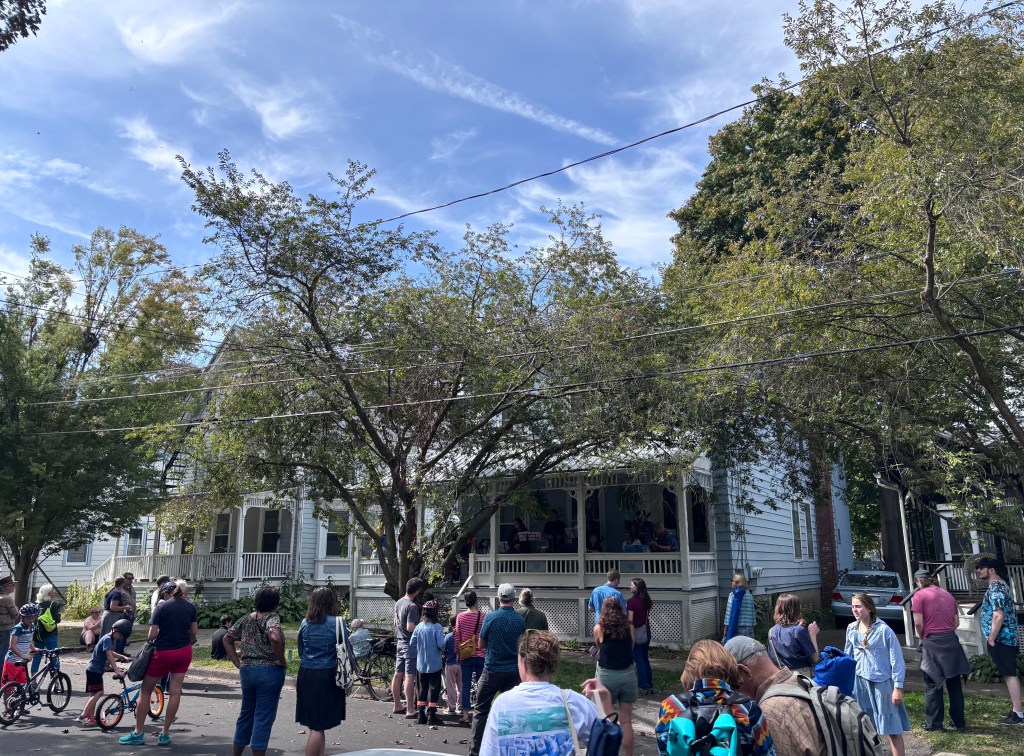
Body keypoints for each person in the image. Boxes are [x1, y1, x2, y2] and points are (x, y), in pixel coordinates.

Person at [481, 629, 612, 755]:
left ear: (524, 663)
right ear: (553, 665)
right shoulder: (573, 702)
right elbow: (609, 742)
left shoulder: (502, 704)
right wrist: (605, 700)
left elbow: (489, 751)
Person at [656, 639, 776, 756]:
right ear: (729, 666)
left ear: (689, 670)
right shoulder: (748, 709)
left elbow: (664, 750)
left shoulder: (670, 706)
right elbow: (767, 753)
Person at [118, 580, 198, 747]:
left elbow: (151, 635)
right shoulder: (190, 607)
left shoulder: (161, 608)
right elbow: (194, 632)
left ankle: (138, 733)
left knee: (145, 690)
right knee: (175, 691)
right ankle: (165, 733)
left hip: (163, 652)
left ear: (166, 593)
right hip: (184, 651)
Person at [725, 636, 828, 756]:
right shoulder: (805, 682)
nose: (736, 693)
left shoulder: (767, 713)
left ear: (744, 671)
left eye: (735, 685)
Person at [224, 586, 288, 756]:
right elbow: (274, 636)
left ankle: (236, 752)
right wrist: (281, 659)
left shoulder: (246, 619)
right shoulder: (272, 618)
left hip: (248, 670)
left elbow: (227, 639)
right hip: (269, 671)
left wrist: (238, 663)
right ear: (275, 604)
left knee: (246, 713)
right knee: (263, 716)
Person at [845, 592, 910, 756]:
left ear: (869, 608)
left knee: (892, 729)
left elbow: (897, 660)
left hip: (882, 683)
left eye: (858, 606)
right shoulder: (851, 628)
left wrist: (898, 687)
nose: (855, 610)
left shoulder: (884, 630)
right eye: (853, 606)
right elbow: (847, 657)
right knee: (865, 728)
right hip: (860, 683)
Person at [469, 583, 526, 756]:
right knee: (513, 713)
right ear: (514, 599)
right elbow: (521, 645)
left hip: (492, 669)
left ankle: (475, 751)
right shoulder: (520, 620)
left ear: (499, 597)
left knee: (480, 711)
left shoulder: (490, 617)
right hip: (513, 671)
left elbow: (481, 643)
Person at [910, 568, 969, 732]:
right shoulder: (948, 595)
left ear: (919, 581)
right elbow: (956, 622)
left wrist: (923, 637)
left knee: (933, 684)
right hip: (951, 641)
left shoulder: (919, 595)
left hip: (933, 642)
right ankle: (959, 723)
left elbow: (918, 623)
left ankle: (935, 724)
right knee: (954, 684)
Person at [296, 586, 346, 756]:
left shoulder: (305, 623)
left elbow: (301, 649)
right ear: (331, 602)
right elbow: (344, 649)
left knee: (317, 723)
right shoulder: (338, 623)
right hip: (328, 674)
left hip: (307, 673)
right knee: (318, 726)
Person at [976, 556, 1023, 725]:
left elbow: (998, 615)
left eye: (981, 567)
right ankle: (1016, 710)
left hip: (1002, 638)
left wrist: (991, 638)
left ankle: (1018, 713)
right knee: (1008, 673)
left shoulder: (996, 587)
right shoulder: (1002, 585)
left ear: (991, 569)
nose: (978, 570)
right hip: (1005, 637)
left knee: (1010, 674)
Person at [594, 596, 637, 756]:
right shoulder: (629, 626)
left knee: (607, 719)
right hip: (627, 674)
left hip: (607, 675)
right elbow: (631, 646)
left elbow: (599, 646)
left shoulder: (600, 628)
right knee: (626, 720)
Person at [78, 618, 131, 725]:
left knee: (94, 694)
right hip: (95, 670)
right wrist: (116, 669)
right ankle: (83, 715)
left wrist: (123, 656)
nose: (120, 639)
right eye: (120, 636)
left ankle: (90, 717)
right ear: (115, 630)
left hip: (93, 669)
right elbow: (109, 655)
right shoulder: (107, 639)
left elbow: (111, 652)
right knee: (100, 693)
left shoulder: (107, 639)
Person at [392, 577, 425, 718]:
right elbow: (410, 627)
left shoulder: (399, 602)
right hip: (409, 643)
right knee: (409, 676)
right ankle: (410, 709)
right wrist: (423, 626)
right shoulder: (411, 606)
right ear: (417, 591)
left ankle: (397, 705)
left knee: (398, 674)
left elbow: (396, 622)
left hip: (399, 641)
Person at [409, 599, 445, 725]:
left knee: (421, 689)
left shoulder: (419, 626)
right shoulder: (437, 627)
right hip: (434, 664)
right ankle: (432, 715)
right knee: (434, 689)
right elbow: (441, 644)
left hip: (421, 664)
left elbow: (412, 643)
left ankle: (420, 714)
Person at [766, 593, 819, 676]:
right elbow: (815, 658)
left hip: (782, 676)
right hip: (801, 677)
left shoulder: (771, 631)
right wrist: (812, 634)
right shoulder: (799, 631)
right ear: (796, 610)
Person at [455, 590, 486, 726]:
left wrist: (458, 652)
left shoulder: (460, 617)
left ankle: (466, 715)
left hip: (466, 655)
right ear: (476, 600)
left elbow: (457, 636)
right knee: (481, 685)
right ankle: (480, 713)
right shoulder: (484, 616)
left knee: (465, 685)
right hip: (481, 654)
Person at [2, 603, 39, 689]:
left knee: (22, 684)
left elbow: (27, 640)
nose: (31, 620)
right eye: (28, 618)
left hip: (23, 661)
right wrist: (23, 655)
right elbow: (12, 645)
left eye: (33, 617)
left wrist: (33, 649)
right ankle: (6, 701)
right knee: (8, 685)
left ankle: (18, 701)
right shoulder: (18, 629)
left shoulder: (32, 627)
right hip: (12, 661)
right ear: (22, 617)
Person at [627, 577, 653, 695]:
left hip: (636, 632)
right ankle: (649, 684)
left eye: (632, 585)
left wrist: (629, 636)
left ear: (637, 587)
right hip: (646, 630)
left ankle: (642, 685)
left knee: (639, 659)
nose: (630, 587)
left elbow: (630, 620)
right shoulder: (646, 600)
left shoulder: (632, 602)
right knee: (645, 658)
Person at [30, 583, 62, 674]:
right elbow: (56, 619)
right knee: (54, 655)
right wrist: (59, 616)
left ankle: (33, 679)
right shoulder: (53, 604)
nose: (54, 592)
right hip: (50, 633)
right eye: (52, 591)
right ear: (48, 593)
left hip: (37, 634)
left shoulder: (36, 605)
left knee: (36, 656)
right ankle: (56, 678)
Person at [723, 573, 756, 641]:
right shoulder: (750, 596)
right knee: (747, 648)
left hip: (735, 627)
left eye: (732, 580)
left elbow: (729, 613)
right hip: (748, 627)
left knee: (734, 647)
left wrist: (726, 626)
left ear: (734, 583)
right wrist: (753, 625)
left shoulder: (732, 596)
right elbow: (752, 613)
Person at [101, 576, 131, 641]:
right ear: (123, 583)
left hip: (107, 615)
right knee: (110, 636)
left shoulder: (112, 591)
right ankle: (109, 650)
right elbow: (113, 607)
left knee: (105, 635)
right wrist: (126, 607)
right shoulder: (116, 593)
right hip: (111, 616)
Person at [443, 615, 461, 715]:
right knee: (461, 687)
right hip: (461, 663)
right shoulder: (462, 635)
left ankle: (452, 707)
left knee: (451, 686)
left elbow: (444, 650)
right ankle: (460, 706)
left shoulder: (448, 636)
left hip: (450, 663)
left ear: (450, 624)